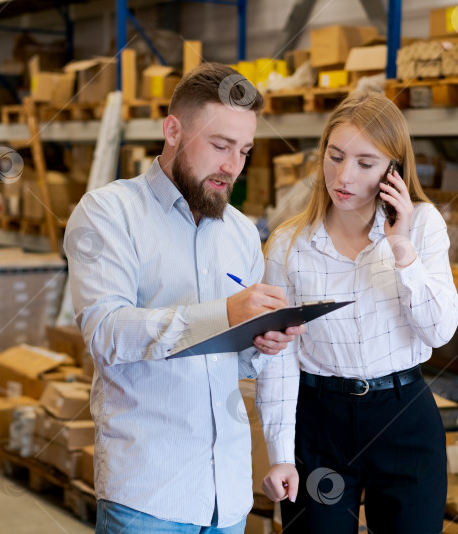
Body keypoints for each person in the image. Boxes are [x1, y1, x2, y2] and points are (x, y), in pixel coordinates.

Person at [64, 63, 304, 534]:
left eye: (244, 150)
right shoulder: (109, 213)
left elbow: (231, 363)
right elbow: (105, 334)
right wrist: (225, 313)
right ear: (172, 130)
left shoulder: (238, 231)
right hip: (147, 494)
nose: (233, 165)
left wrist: (258, 343)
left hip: (226, 498)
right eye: (219, 146)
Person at [256, 91, 458, 534]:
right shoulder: (289, 245)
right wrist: (280, 454)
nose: (343, 176)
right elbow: (279, 357)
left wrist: (401, 246)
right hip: (318, 424)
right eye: (335, 156)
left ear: (394, 170)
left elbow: (439, 331)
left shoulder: (423, 225)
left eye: (365, 164)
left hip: (403, 417)